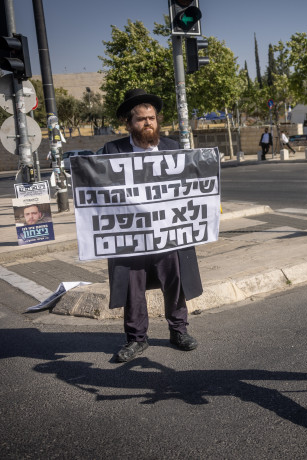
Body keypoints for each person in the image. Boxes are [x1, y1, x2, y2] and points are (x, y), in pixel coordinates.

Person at [99, 89, 202, 363]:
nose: (148, 123)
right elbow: (97, 187)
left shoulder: (173, 148)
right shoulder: (113, 150)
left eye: (152, 118)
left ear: (158, 121)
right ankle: (136, 339)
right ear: (129, 124)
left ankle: (178, 331)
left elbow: (190, 187)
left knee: (175, 282)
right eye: (141, 119)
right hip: (131, 236)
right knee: (133, 288)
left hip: (168, 233)